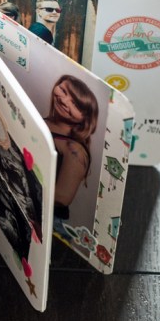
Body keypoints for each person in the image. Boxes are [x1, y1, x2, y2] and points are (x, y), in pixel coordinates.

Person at [44, 75, 98, 241]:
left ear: (85, 118)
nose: (64, 100)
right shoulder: (44, 122)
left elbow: (62, 198)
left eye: (75, 104)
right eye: (63, 90)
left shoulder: (74, 150)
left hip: (49, 220)